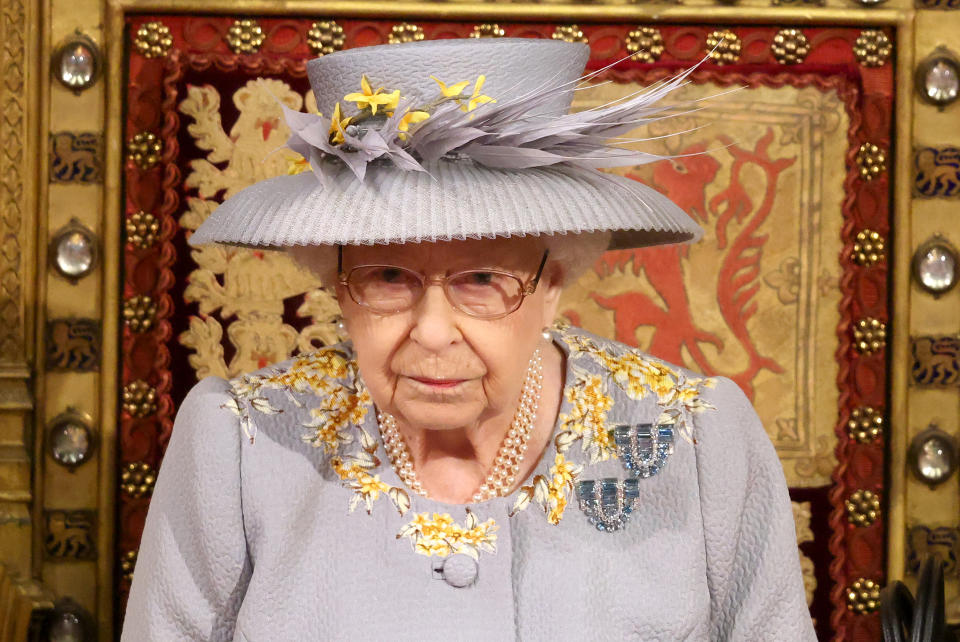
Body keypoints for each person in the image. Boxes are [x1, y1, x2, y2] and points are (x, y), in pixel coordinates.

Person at [122, 38, 816, 641]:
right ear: (336, 283)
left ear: (553, 284)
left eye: (482, 280)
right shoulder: (239, 448)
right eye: (387, 278)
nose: (430, 331)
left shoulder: (697, 442)